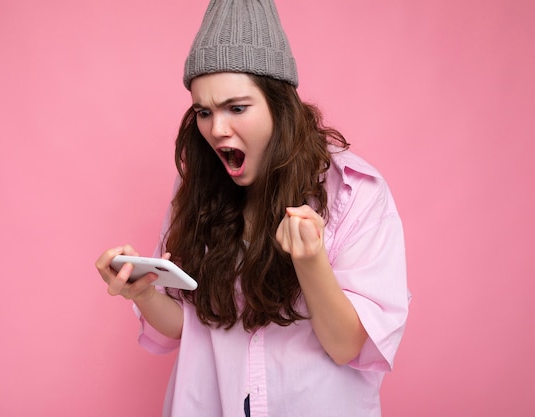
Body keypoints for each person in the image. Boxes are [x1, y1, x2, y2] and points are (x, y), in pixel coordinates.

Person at [95, 1, 410, 416]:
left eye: (236, 108)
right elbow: (189, 327)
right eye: (204, 112)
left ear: (281, 106)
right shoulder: (197, 189)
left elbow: (345, 344)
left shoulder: (354, 192)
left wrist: (310, 260)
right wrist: (144, 292)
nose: (217, 129)